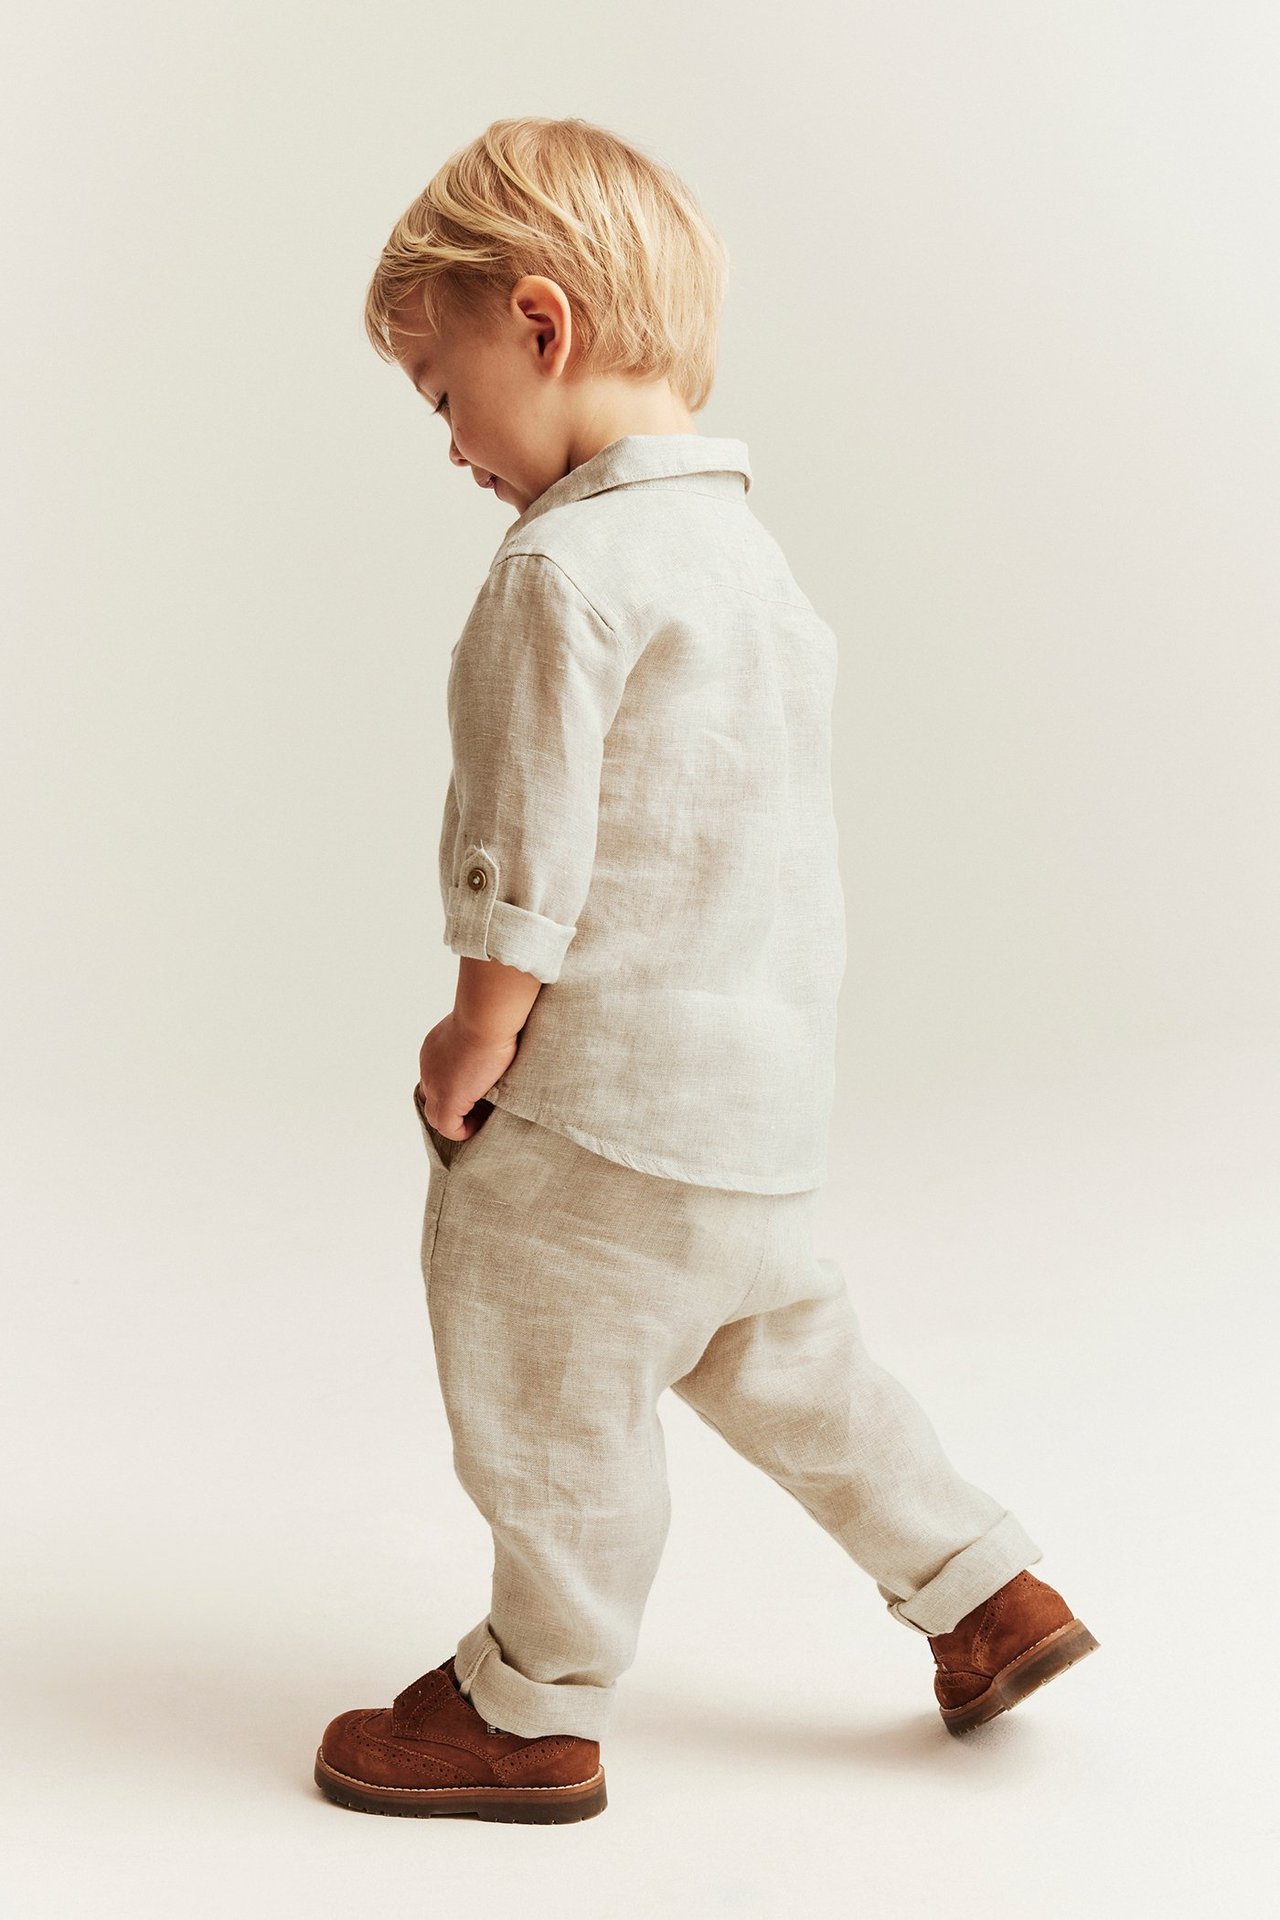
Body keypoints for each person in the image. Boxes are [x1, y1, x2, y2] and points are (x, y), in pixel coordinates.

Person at [313, 115, 1098, 1826]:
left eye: (445, 393)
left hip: (592, 1128)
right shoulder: (755, 568)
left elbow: (529, 855)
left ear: (542, 324)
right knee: (800, 1370)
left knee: (544, 1393)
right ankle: (986, 1592)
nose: (449, 446)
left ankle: (533, 1701)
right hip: (755, 1118)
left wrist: (473, 1036)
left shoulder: (559, 573)